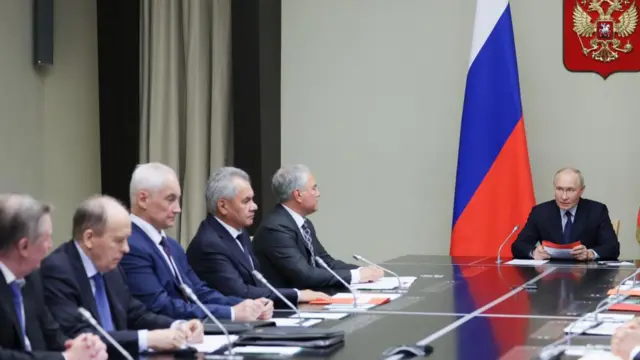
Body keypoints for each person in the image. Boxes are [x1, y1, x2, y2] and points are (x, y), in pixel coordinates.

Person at [41, 195, 204, 357]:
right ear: (89, 238)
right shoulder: (58, 270)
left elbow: (136, 314)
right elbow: (80, 334)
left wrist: (177, 326)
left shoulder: (112, 269)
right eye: (119, 240)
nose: (126, 249)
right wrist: (147, 339)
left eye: (127, 240)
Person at [120, 162, 272, 321]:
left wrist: (248, 305)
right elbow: (160, 306)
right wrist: (231, 313)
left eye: (178, 200)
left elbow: (199, 292)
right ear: (143, 199)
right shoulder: (130, 245)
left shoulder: (172, 246)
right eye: (170, 199)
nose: (178, 209)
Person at [187, 167, 330, 308]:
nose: (254, 206)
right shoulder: (209, 244)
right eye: (246, 201)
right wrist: (298, 295)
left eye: (252, 199)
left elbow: (259, 282)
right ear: (223, 206)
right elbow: (240, 293)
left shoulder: (240, 232)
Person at [0, 193, 108, 360]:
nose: (50, 245)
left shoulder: (31, 278)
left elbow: (52, 334)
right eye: (47, 238)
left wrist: (82, 347)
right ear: (24, 246)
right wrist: (67, 358)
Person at [252, 164, 384, 289]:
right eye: (314, 188)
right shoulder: (275, 229)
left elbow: (326, 263)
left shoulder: (304, 224)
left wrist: (361, 270)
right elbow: (305, 275)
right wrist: (357, 276)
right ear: (298, 195)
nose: (318, 194)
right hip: (285, 307)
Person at [511, 167, 619, 261]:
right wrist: (534, 252)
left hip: (587, 276)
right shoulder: (540, 212)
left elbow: (612, 247)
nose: (564, 196)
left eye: (570, 190)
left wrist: (590, 254)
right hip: (550, 278)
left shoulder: (597, 210)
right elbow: (518, 246)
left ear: (581, 190)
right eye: (559, 189)